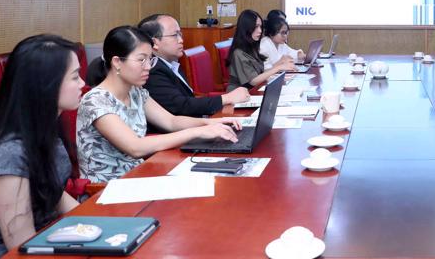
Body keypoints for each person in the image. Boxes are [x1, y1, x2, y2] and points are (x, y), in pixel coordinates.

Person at [77, 26, 243, 183]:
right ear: (117, 62)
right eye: (141, 60)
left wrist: (211, 123)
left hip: (138, 177)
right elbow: (135, 147)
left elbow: (170, 121)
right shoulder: (96, 101)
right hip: (106, 192)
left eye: (150, 60)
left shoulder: (136, 92)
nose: (148, 67)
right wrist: (198, 131)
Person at [0, 35, 84, 259]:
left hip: (49, 243)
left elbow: (55, 196)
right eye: (75, 77)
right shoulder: (9, 153)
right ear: (46, 84)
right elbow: (20, 245)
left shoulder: (46, 132)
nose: (82, 83)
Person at [137, 14, 249, 117]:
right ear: (155, 43)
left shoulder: (172, 63)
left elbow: (188, 99)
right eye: (175, 35)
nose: (181, 40)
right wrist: (227, 98)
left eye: (180, 34)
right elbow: (181, 106)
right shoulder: (152, 70)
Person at [226, 10, 296, 91]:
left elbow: (262, 73)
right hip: (239, 95)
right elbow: (253, 81)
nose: (260, 31)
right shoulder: (238, 53)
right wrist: (278, 68)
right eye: (256, 27)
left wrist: (280, 66)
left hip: (255, 90)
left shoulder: (253, 47)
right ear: (246, 28)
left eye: (260, 27)